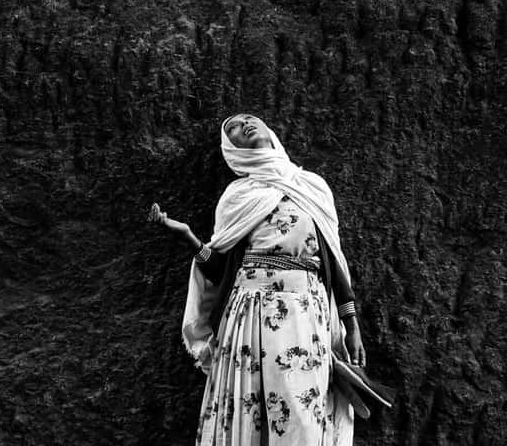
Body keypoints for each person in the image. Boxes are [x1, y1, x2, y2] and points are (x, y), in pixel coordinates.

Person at [148, 113, 365, 446]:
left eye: (249, 119)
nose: (245, 125)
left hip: (307, 318)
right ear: (232, 150)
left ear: (268, 127)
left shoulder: (313, 187)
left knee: (303, 417)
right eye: (233, 128)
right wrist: (189, 236)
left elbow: (334, 263)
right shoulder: (237, 196)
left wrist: (352, 326)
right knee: (252, 415)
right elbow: (219, 269)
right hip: (249, 316)